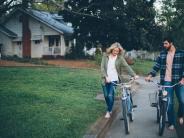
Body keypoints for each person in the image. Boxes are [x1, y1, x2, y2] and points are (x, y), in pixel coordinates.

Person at [145, 37, 184, 130]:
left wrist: (183, 79)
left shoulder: (181, 53)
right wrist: (150, 75)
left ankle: (180, 115)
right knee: (169, 103)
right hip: (166, 81)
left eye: (166, 43)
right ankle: (171, 123)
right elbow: (157, 66)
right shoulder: (162, 54)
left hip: (178, 81)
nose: (164, 45)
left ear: (171, 43)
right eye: (164, 44)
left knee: (182, 101)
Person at [101, 42, 138, 118]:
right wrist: (106, 77)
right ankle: (110, 107)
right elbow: (102, 68)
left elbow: (127, 67)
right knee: (106, 96)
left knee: (110, 96)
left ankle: (109, 111)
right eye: (114, 51)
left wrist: (134, 75)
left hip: (114, 80)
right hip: (105, 79)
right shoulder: (105, 56)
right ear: (111, 50)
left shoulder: (120, 58)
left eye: (117, 51)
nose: (116, 52)